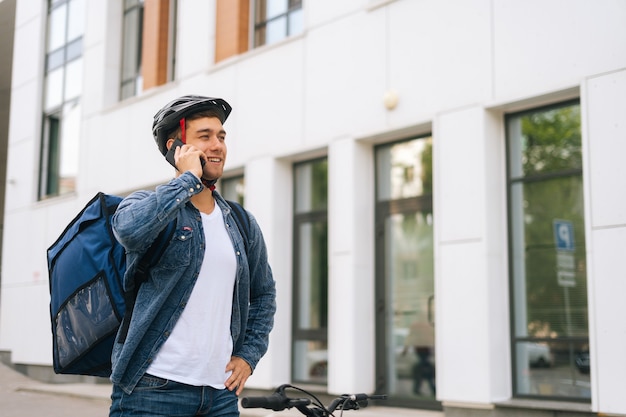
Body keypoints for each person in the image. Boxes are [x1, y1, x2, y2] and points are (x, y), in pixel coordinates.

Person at [108, 95, 277, 417]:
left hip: (220, 394)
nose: (217, 145)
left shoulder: (240, 222)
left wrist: (248, 355)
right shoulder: (145, 205)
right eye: (205, 136)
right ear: (176, 148)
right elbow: (129, 231)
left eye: (221, 136)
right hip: (153, 389)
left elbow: (264, 293)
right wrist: (188, 179)